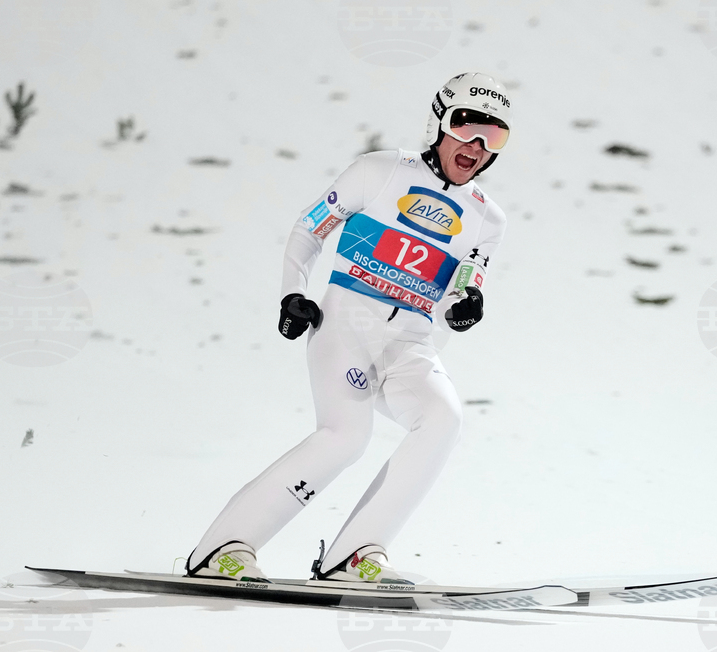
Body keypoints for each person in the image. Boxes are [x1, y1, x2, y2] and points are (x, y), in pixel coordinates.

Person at [186, 72, 513, 583]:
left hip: (410, 344)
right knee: (346, 436)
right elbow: (310, 226)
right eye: (466, 126)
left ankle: (355, 555)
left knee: (444, 419)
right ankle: (223, 548)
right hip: (346, 329)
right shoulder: (379, 171)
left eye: (494, 137)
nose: (476, 145)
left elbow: (467, 280)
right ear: (438, 123)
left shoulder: (487, 219)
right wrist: (292, 293)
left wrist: (467, 303)